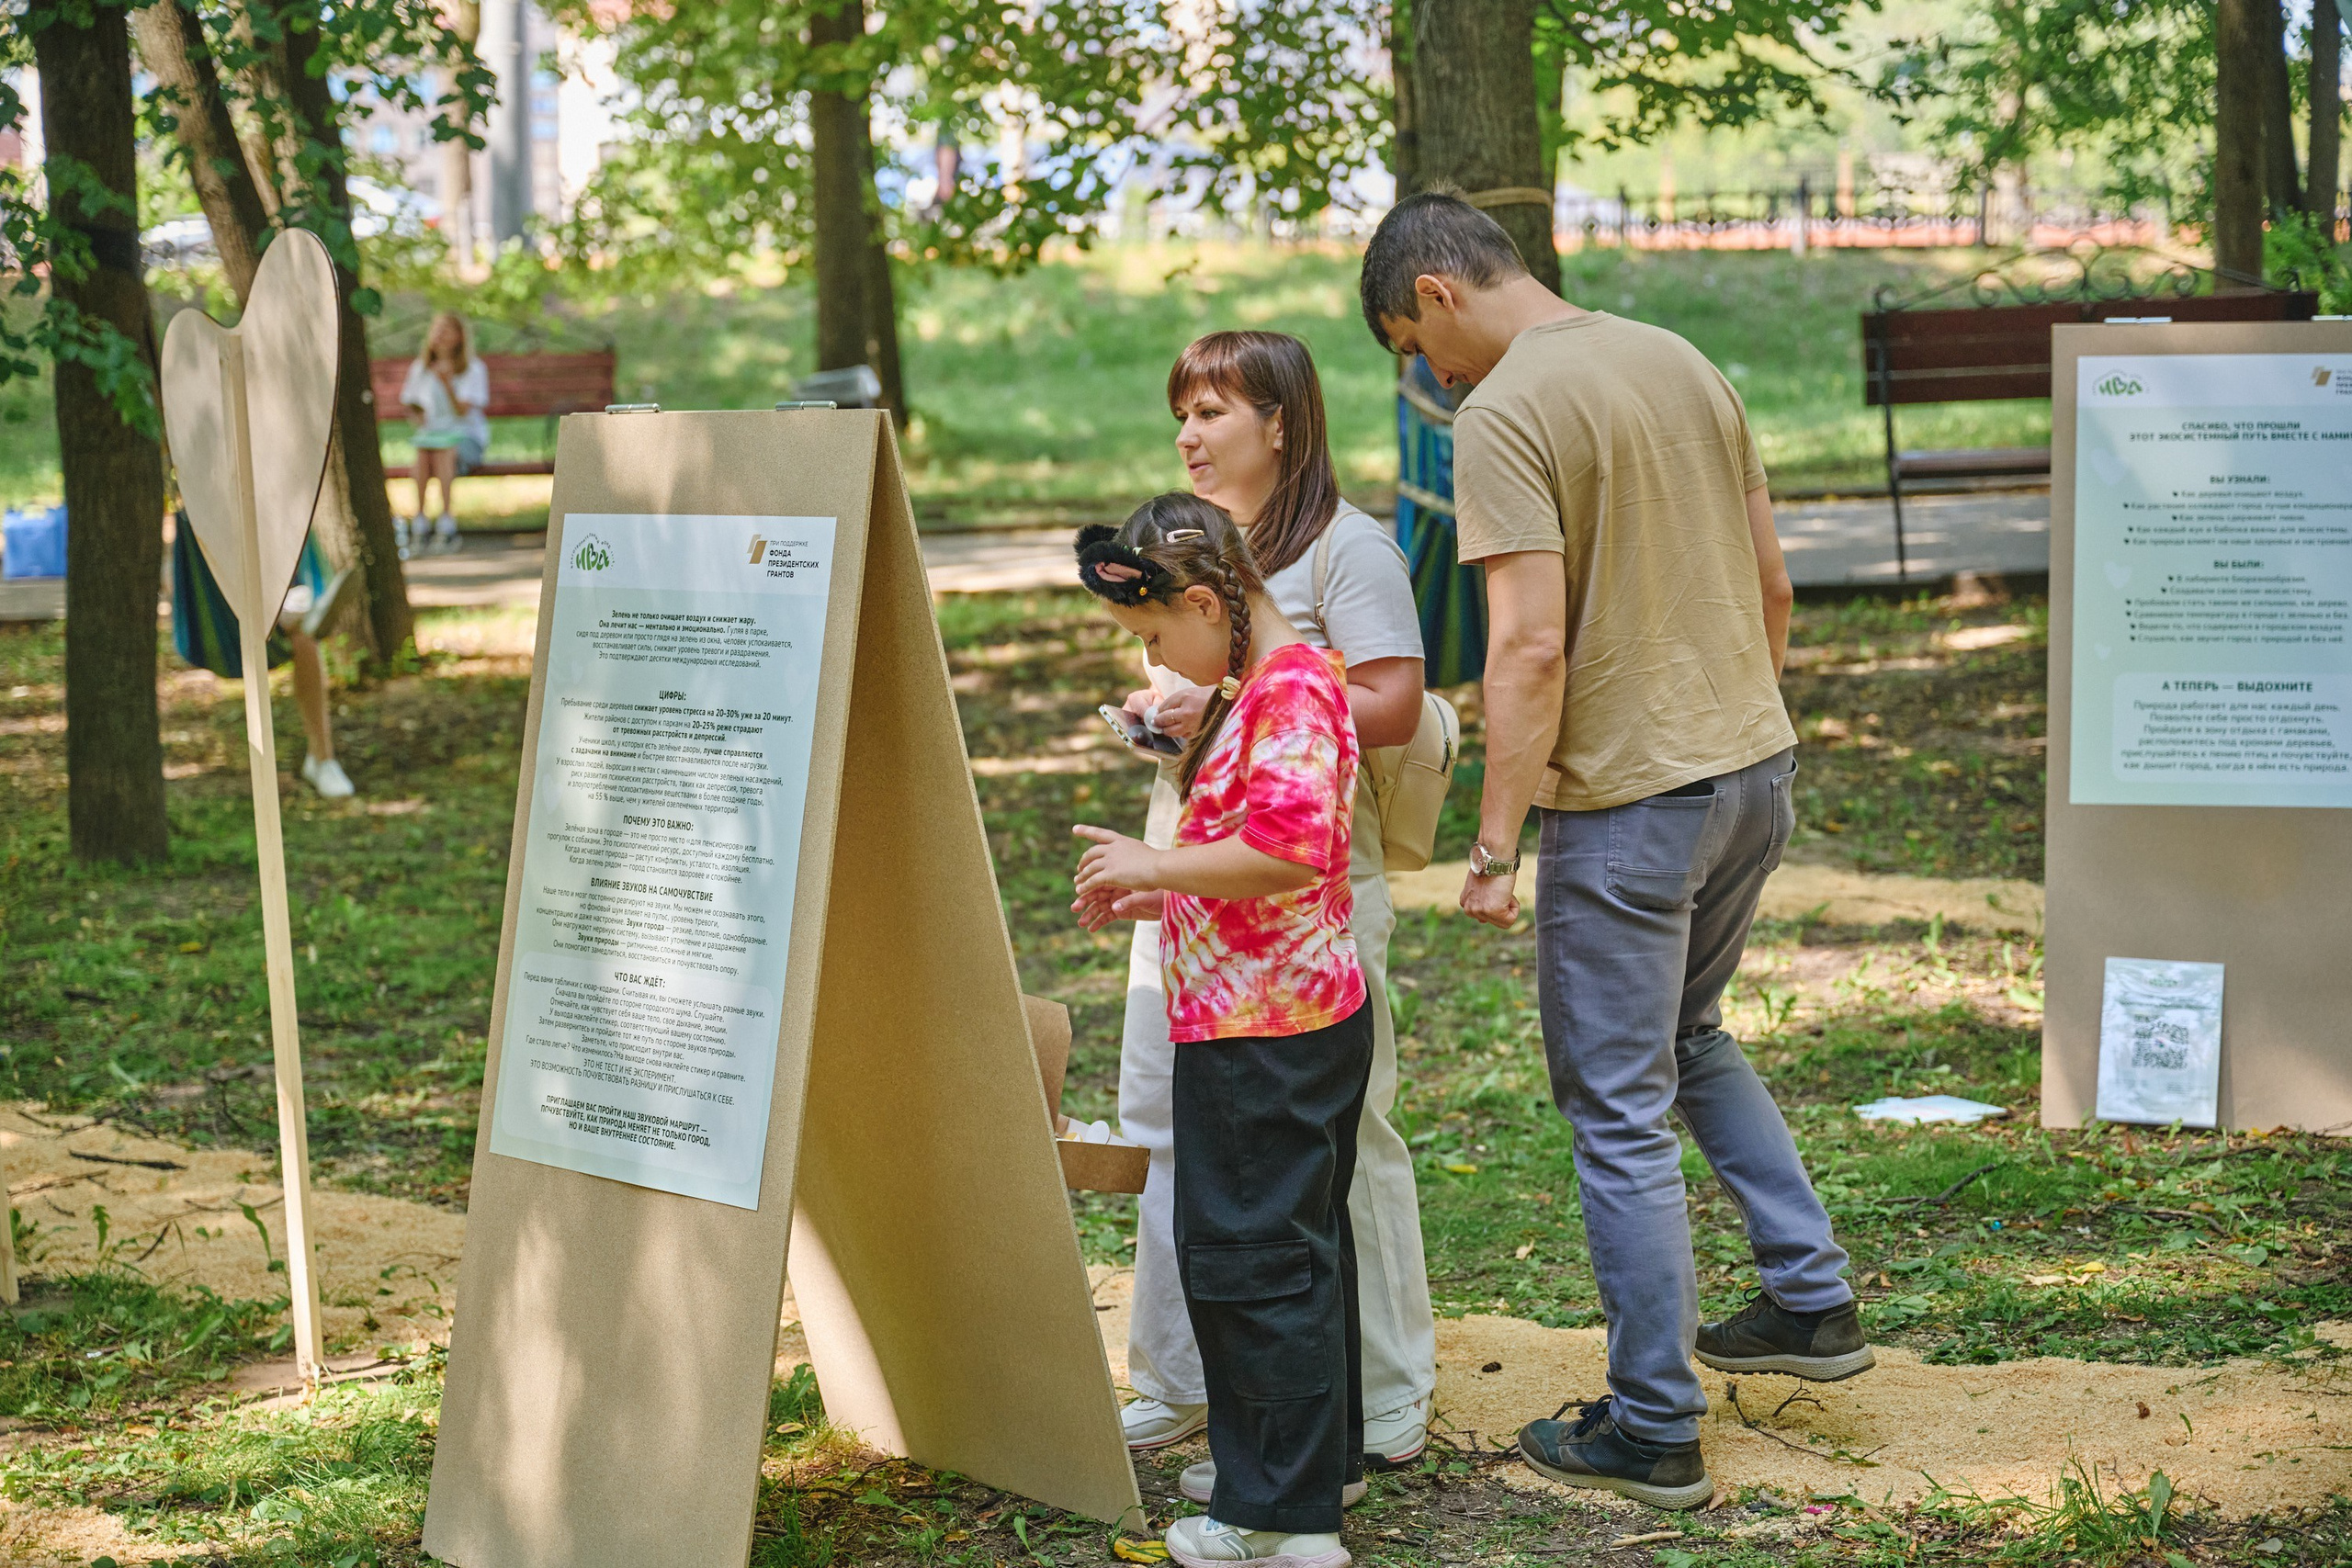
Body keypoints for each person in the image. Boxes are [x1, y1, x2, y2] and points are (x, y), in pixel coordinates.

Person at [1356, 190, 1870, 1512]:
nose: (1429, 378)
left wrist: (1493, 840)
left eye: (1415, 352)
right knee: (1692, 1035)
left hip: (1632, 805)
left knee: (1617, 1105)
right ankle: (1810, 1298)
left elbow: (1528, 645)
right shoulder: (1677, 356)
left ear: (1435, 296)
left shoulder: (1504, 412)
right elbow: (1773, 586)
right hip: (1755, 768)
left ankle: (1654, 1422)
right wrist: (1736, 723)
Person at [1114, 331, 1438, 1473]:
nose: (1189, 437)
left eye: (1211, 413)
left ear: (1282, 422)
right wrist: (1166, 713)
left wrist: (1239, 707)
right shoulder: (1190, 546)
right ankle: (1185, 1378)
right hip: (1187, 879)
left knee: (1342, 1140)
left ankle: (1383, 1389)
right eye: (1181, 417)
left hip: (1307, 894)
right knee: (1169, 1127)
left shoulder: (1346, 549)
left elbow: (1394, 702)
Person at [1072, 494, 1369, 1568]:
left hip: (1262, 1036)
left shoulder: (1288, 692)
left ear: (1207, 600)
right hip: (1277, 1015)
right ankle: (1306, 1464)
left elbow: (1289, 855)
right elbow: (1271, 870)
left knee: (1251, 1262)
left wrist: (1155, 864)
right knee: (1292, 1250)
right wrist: (1165, 894)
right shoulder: (1268, 687)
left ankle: (1278, 1518)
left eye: (1155, 637)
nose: (1157, 659)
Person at [399, 310, 488, 557]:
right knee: (425, 453)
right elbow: (412, 408)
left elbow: (462, 413)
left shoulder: (473, 369)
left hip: (465, 439)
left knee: (442, 452)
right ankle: (420, 522)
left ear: (459, 336)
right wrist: (418, 418)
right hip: (431, 440)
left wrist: (447, 384)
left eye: (445, 329)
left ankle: (446, 524)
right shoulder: (420, 369)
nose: (438, 335)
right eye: (436, 329)